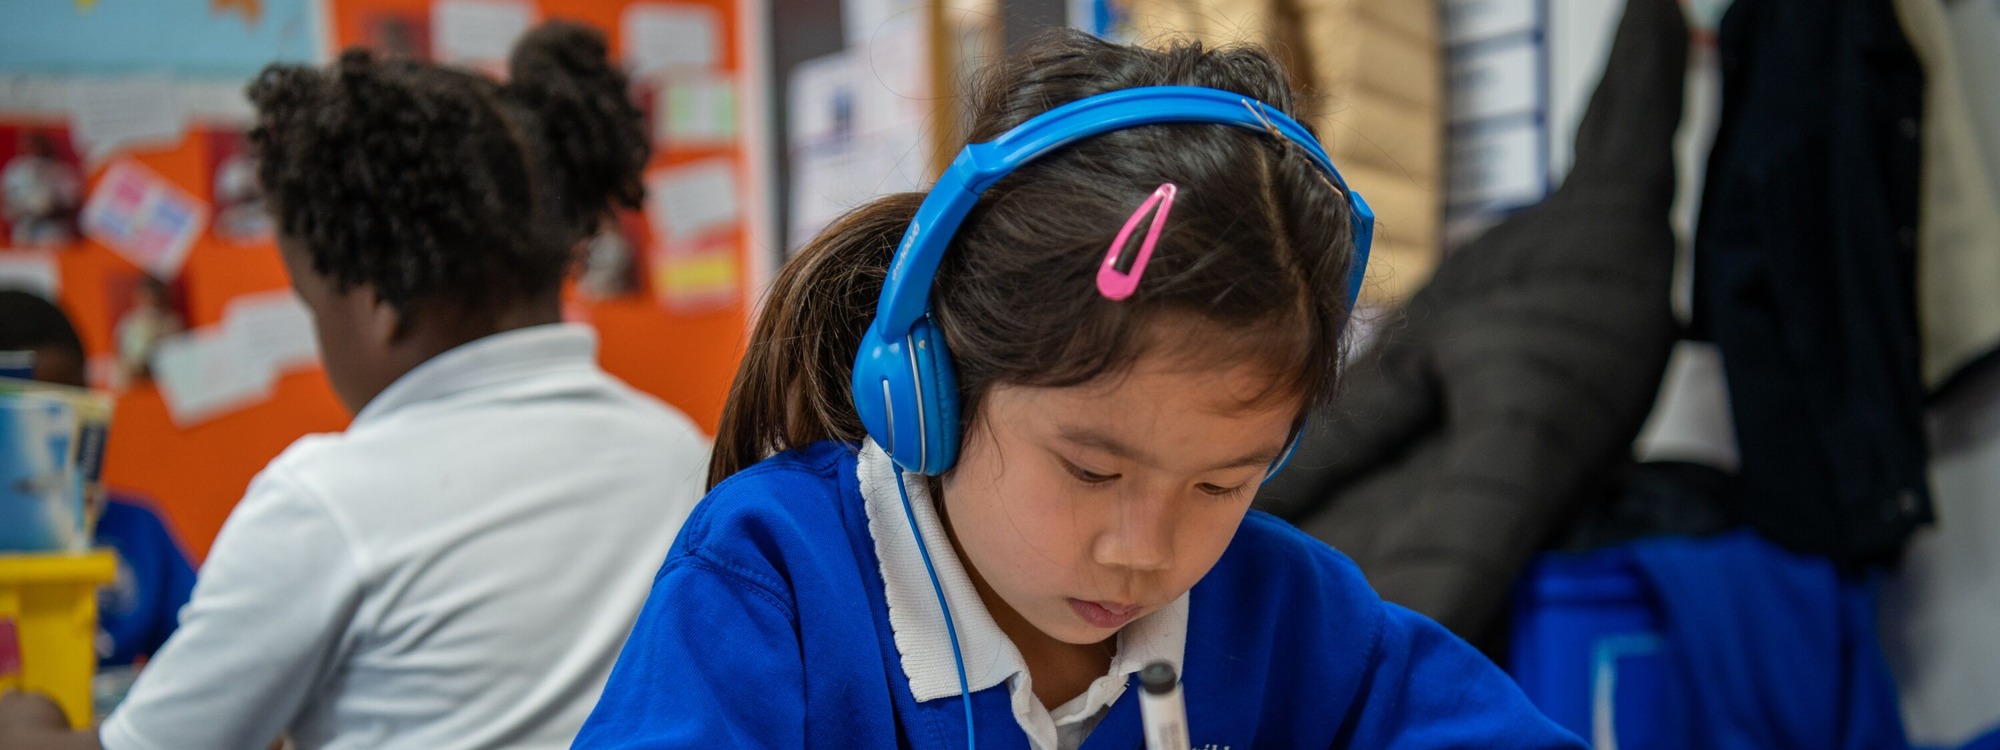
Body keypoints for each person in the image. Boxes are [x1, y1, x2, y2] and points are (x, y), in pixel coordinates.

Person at [573, 30, 1581, 749]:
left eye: (1220, 485)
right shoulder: (774, 578)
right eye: (1092, 471)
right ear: (931, 386)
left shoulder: (1291, 615)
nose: (1144, 551)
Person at [0, 21, 709, 750]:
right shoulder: (684, 455)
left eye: (314, 308)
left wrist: (28, 726)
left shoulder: (325, 502)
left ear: (379, 305)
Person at [0, 289, 198, 677]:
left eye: (69, 409)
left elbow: (204, 657)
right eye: (28, 424)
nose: (54, 439)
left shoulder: (137, 529)